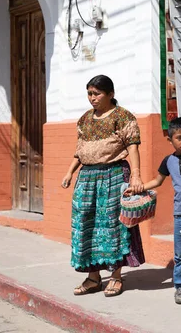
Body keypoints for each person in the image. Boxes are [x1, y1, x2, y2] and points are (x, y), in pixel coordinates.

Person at [62, 75, 145, 297]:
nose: (92, 98)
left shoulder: (123, 117)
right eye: (89, 93)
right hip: (87, 178)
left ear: (110, 94)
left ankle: (116, 277)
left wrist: (136, 176)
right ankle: (93, 278)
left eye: (97, 93)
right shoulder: (84, 120)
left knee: (112, 227)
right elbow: (80, 150)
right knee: (85, 225)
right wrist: (70, 172)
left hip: (114, 175)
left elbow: (133, 148)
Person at [125, 117, 181, 305]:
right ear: (170, 139)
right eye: (179, 137)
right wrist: (137, 188)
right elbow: (157, 181)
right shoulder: (168, 161)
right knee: (180, 255)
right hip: (180, 216)